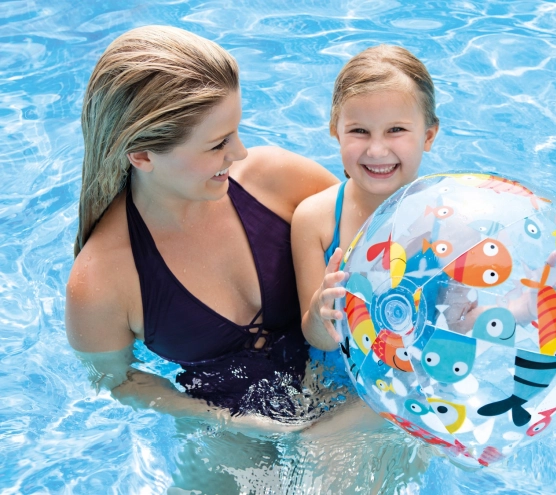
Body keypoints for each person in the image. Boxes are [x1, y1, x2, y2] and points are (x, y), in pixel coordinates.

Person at [65, 25, 339, 432]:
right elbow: (117, 382)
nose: (241, 152)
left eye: (236, 130)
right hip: (229, 439)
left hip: (344, 397)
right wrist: (235, 422)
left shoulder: (278, 181)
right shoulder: (102, 280)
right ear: (142, 154)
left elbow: (385, 240)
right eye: (217, 144)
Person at [291, 44, 439, 352]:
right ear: (336, 132)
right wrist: (321, 313)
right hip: (336, 381)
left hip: (412, 379)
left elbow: (464, 322)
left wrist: (524, 309)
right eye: (359, 131)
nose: (376, 150)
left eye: (395, 130)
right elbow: (319, 341)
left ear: (428, 136)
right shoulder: (316, 220)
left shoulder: (447, 218)